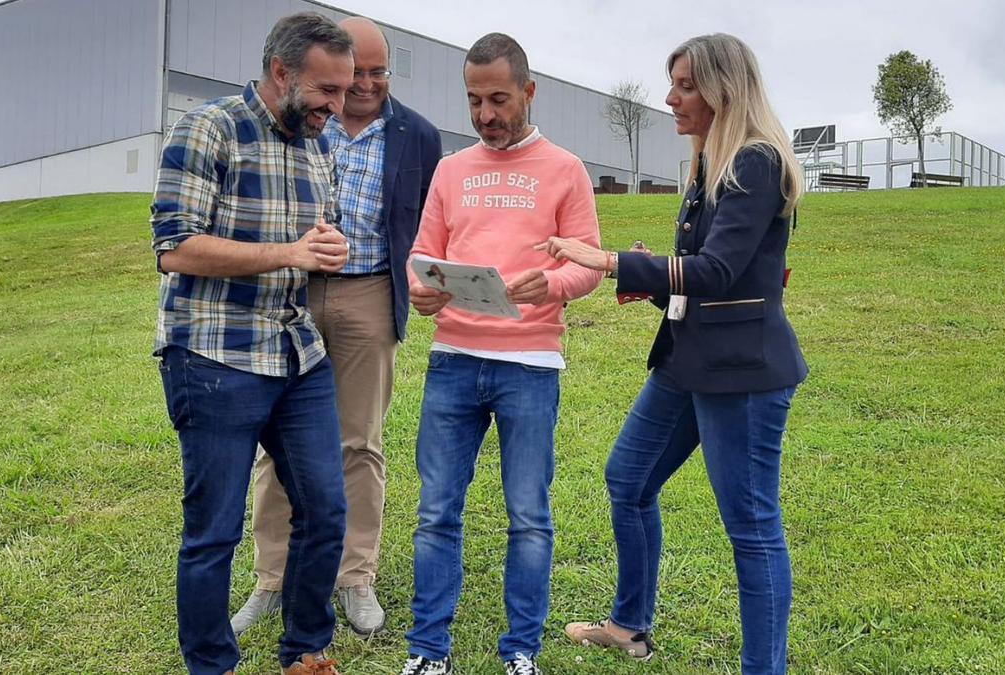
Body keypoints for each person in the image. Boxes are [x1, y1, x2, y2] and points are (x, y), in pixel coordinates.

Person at [543, 33, 808, 675]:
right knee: (627, 479)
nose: (671, 98)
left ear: (724, 90)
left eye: (686, 86)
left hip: (742, 374)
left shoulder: (756, 162)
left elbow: (715, 272)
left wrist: (611, 262)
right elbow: (712, 279)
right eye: (675, 84)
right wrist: (649, 280)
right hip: (689, 361)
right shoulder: (709, 163)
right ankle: (630, 626)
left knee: (751, 527)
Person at [150, 12, 356, 675]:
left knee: (325, 510)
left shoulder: (322, 146)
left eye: (345, 90)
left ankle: (304, 650)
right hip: (214, 356)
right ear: (280, 72)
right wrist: (288, 252)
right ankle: (212, 664)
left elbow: (319, 239)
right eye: (326, 90)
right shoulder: (209, 127)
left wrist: (327, 250)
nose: (337, 105)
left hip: (298, 354)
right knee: (215, 532)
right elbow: (175, 248)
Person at [397, 33, 604, 675]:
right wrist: (421, 290)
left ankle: (520, 652)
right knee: (436, 511)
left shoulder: (566, 170)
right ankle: (429, 653)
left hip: (530, 366)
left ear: (528, 92)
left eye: (499, 99)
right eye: (474, 100)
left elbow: (590, 265)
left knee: (529, 515)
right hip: (453, 358)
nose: (486, 114)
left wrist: (556, 282)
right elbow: (419, 255)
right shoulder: (452, 170)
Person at [234, 15, 442, 640]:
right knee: (277, 442)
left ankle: (356, 576)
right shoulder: (301, 120)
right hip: (289, 293)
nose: (369, 84)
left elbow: (431, 223)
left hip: (371, 296)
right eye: (360, 73)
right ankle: (272, 578)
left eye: (380, 72)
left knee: (360, 440)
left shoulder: (417, 135)